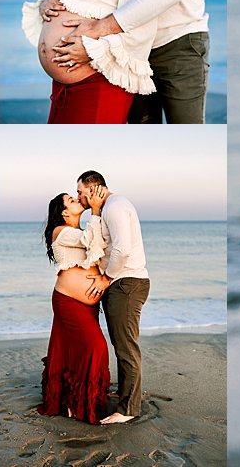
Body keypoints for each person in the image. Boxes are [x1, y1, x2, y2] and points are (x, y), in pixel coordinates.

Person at [41, 0, 210, 123]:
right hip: (127, 47)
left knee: (185, 130)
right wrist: (46, 3)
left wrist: (97, 37)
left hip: (176, 40)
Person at [21, 0, 162, 123]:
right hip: (63, 85)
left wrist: (93, 50)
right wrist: (45, 4)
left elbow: (142, 26)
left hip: (99, 80)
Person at [39, 191, 130, 424]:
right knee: (96, 347)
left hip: (86, 305)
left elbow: (99, 244)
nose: (77, 200)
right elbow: (90, 239)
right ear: (64, 212)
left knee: (76, 352)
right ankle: (81, 404)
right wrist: (97, 211)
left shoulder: (80, 232)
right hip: (68, 301)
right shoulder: (61, 232)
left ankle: (71, 402)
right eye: (71, 200)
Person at [76, 171, 149, 422]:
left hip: (127, 283)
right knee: (121, 344)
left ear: (94, 188)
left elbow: (122, 249)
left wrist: (106, 277)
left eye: (80, 192)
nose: (79, 197)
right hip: (122, 283)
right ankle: (127, 393)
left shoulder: (115, 207)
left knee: (126, 346)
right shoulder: (106, 208)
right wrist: (95, 212)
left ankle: (128, 410)